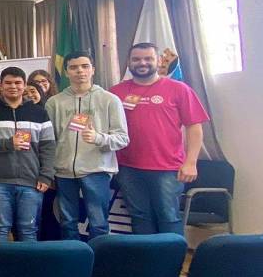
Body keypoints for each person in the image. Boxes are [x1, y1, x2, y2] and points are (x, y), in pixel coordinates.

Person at [110, 42, 209, 235]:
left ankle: (172, 256)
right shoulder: (115, 92)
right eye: (136, 59)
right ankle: (146, 255)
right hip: (127, 167)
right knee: (139, 216)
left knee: (168, 216)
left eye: (148, 58)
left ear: (159, 61)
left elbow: (194, 127)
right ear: (129, 62)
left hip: (167, 168)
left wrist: (191, 162)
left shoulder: (179, 89)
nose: (142, 63)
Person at [46, 50, 129, 241]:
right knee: (67, 221)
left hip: (97, 170)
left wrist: (98, 138)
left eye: (85, 66)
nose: (80, 71)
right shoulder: (54, 102)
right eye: (73, 67)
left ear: (93, 70)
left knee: (98, 222)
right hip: (64, 171)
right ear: (66, 72)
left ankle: (98, 257)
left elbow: (122, 138)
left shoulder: (109, 99)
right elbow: (49, 141)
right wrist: (49, 170)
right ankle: (72, 257)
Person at [0, 67, 55, 242]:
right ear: (1, 85)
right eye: (8, 83)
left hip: (32, 181)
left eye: (18, 83)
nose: (13, 86)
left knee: (28, 228)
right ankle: (1, 260)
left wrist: (46, 175)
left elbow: (48, 146)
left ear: (24, 85)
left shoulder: (39, 112)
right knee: (0, 227)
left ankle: (27, 261)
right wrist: (8, 144)